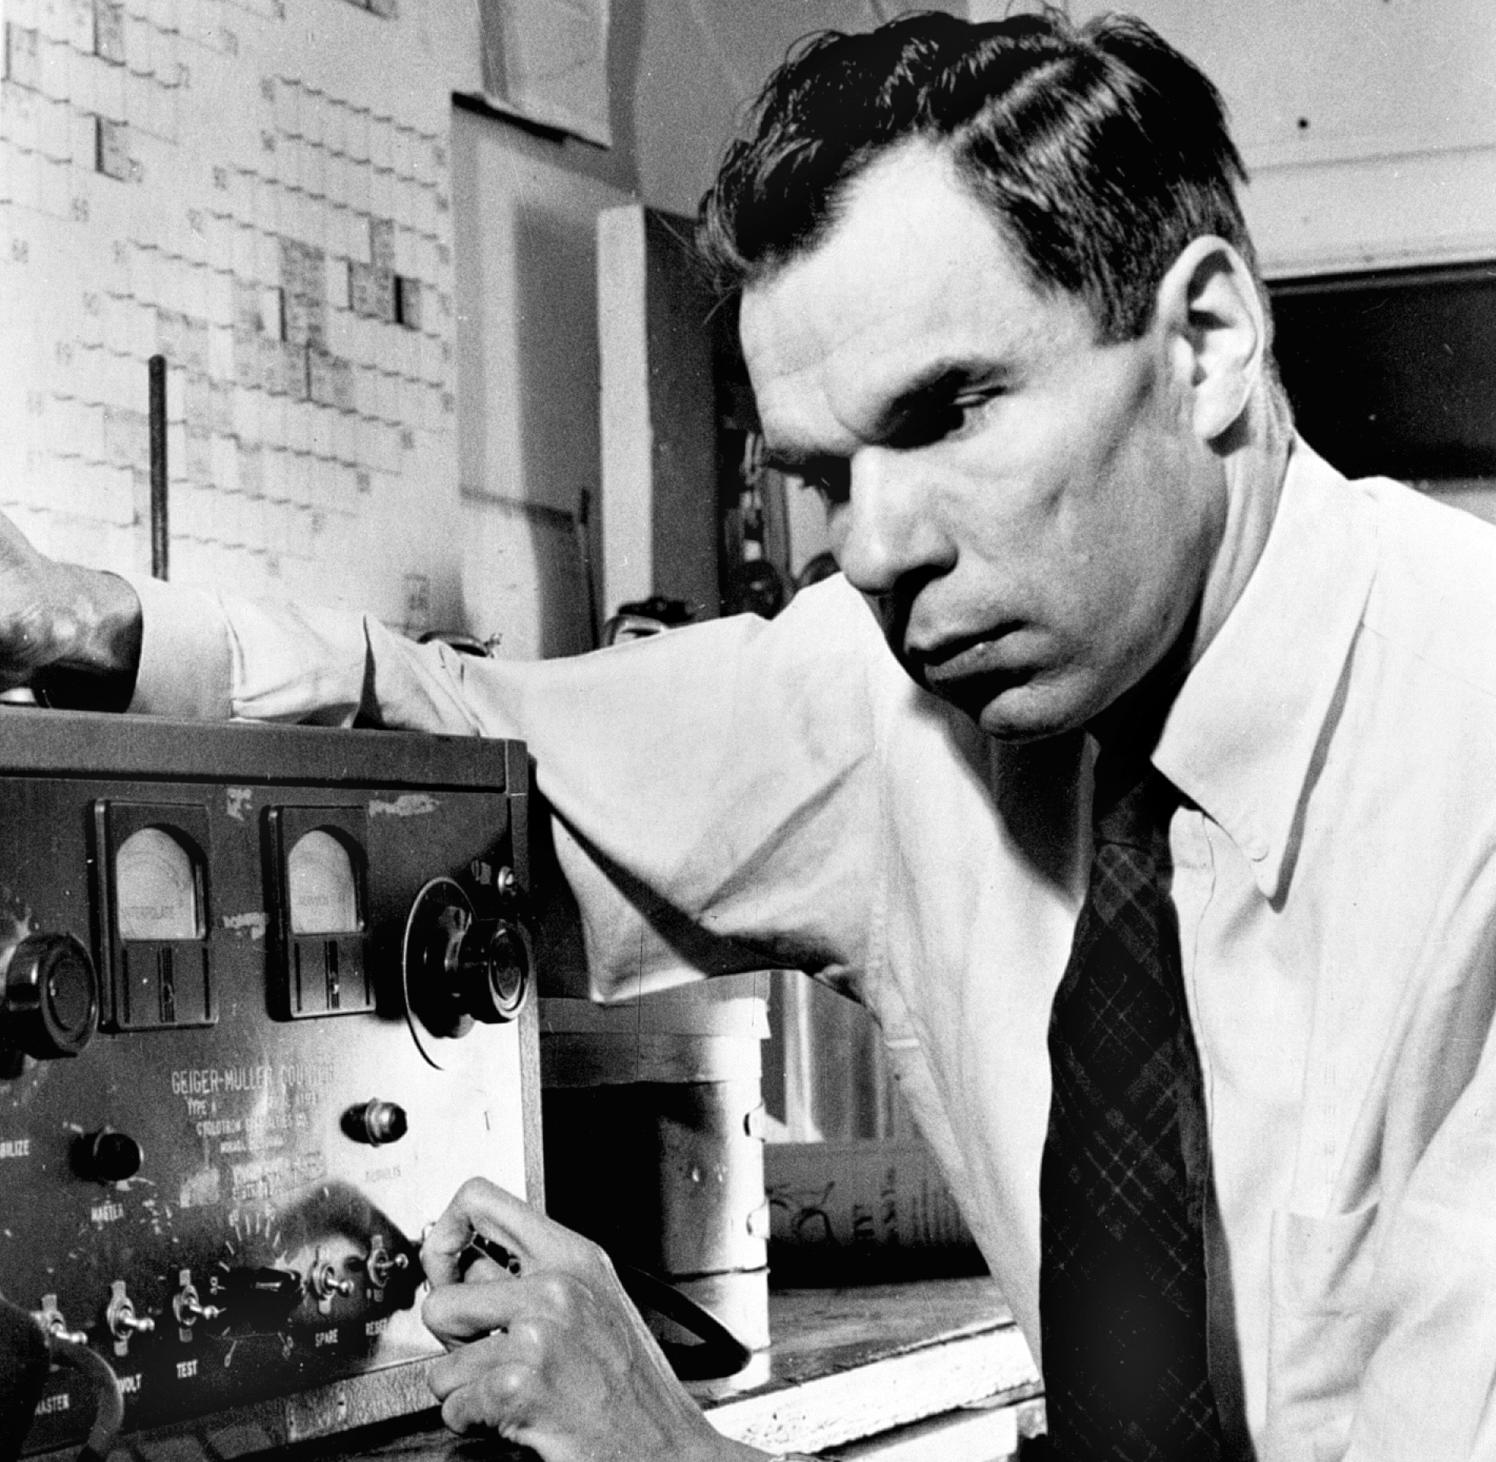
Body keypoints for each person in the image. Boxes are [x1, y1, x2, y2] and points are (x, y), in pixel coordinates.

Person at [5, 8, 1496, 1460]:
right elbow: (473, 756)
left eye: (949, 412)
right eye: (825, 473)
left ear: (1210, 340)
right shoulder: (895, 688)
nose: (877, 547)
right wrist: (82, 622)